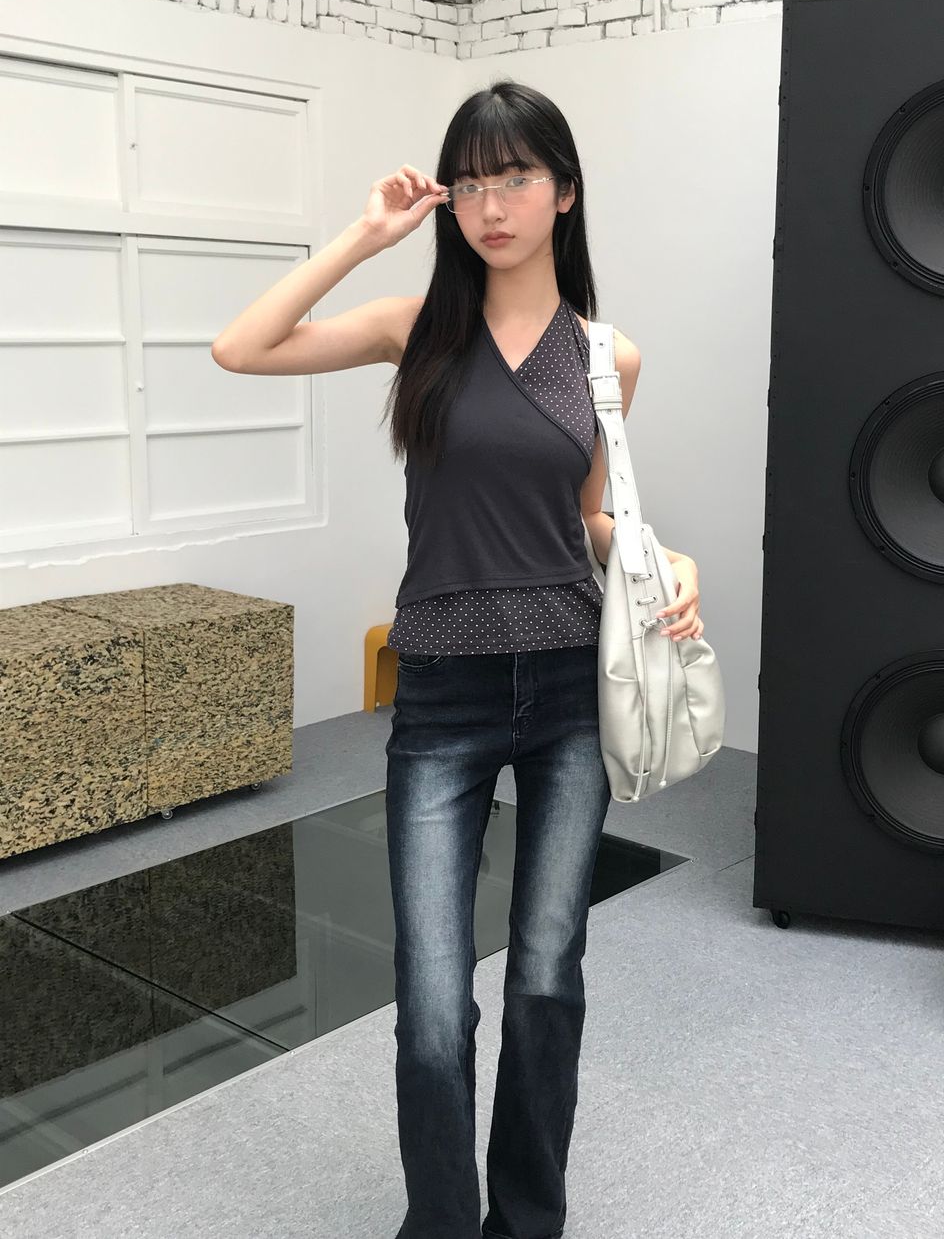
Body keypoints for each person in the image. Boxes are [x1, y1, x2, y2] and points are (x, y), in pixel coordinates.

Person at [212, 79, 699, 1239]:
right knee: (433, 1005)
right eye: (471, 183)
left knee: (545, 979)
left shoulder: (607, 357)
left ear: (564, 192)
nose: (491, 205)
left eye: (515, 177)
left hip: (570, 690)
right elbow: (240, 347)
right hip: (441, 696)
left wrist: (658, 553)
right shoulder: (416, 327)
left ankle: (526, 1222)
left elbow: (585, 515)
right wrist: (364, 234)